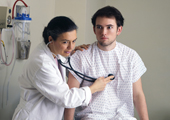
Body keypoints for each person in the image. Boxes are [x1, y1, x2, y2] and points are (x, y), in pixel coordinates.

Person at [12, 16, 114, 120]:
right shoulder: (41, 63)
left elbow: (65, 69)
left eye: (73, 41)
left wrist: (73, 57)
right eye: (65, 42)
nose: (71, 46)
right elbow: (67, 99)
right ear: (51, 39)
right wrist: (94, 88)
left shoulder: (54, 51)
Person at [64, 6, 149, 120]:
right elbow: (71, 95)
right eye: (99, 27)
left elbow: (137, 95)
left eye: (109, 27)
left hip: (123, 116)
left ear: (119, 30)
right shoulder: (81, 56)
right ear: (94, 29)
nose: (103, 32)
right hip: (91, 116)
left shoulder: (131, 56)